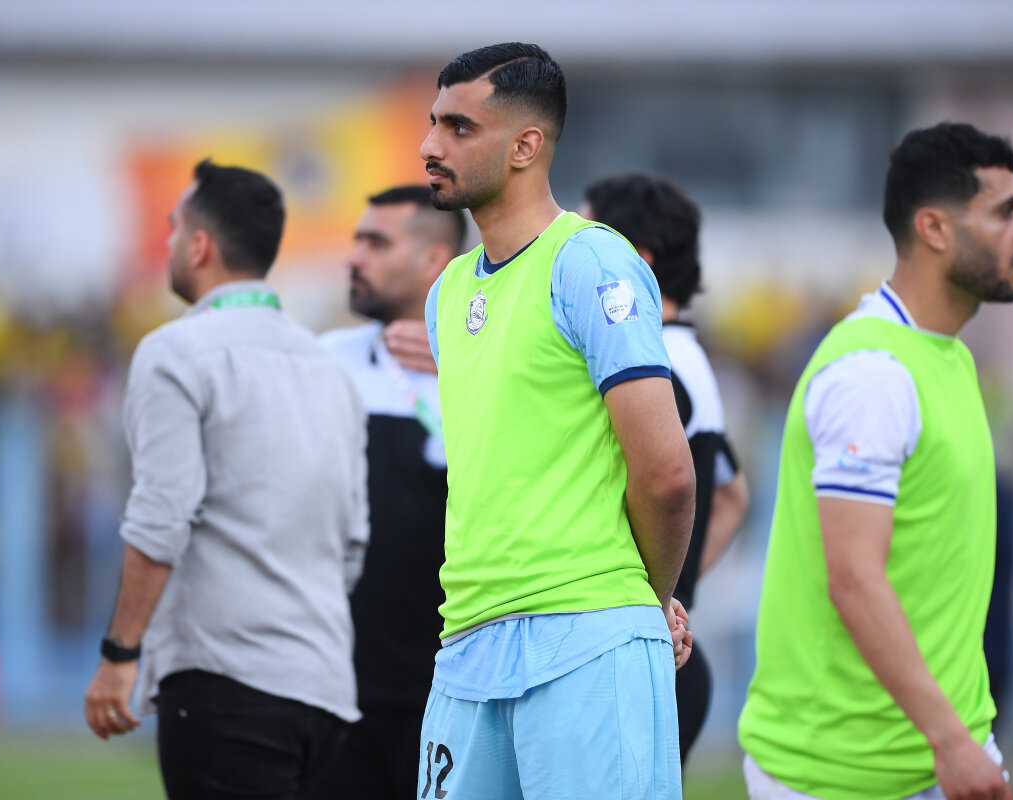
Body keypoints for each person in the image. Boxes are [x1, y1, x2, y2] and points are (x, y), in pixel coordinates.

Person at [417, 43, 696, 799]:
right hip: (467, 636)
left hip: (587, 636)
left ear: (525, 146)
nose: (430, 146)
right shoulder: (447, 294)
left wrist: (647, 599)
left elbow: (668, 474)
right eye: (433, 123)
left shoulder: (591, 264)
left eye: (458, 127)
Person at [738, 122, 1013, 800]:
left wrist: (963, 737)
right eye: (1007, 212)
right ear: (934, 228)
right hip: (842, 772)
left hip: (942, 750)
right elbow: (854, 578)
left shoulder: (948, 356)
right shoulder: (872, 374)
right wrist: (952, 743)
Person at [83, 159, 369, 800]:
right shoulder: (329, 368)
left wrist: (119, 653)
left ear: (199, 245)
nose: (167, 244)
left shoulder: (175, 352)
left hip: (225, 683)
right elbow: (352, 543)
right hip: (324, 691)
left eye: (173, 228)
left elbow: (160, 518)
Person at [583, 173, 750, 764]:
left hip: (640, 657)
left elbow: (675, 482)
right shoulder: (681, 353)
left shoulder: (650, 365)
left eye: (587, 238)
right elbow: (732, 496)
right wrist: (676, 591)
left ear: (637, 259)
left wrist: (652, 599)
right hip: (664, 649)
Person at [309, 186, 465, 799]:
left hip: (456, 690)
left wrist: (460, 370)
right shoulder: (326, 364)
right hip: (335, 693)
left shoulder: (493, 373)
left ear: (434, 260)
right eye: (357, 240)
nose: (355, 257)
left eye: (376, 243)